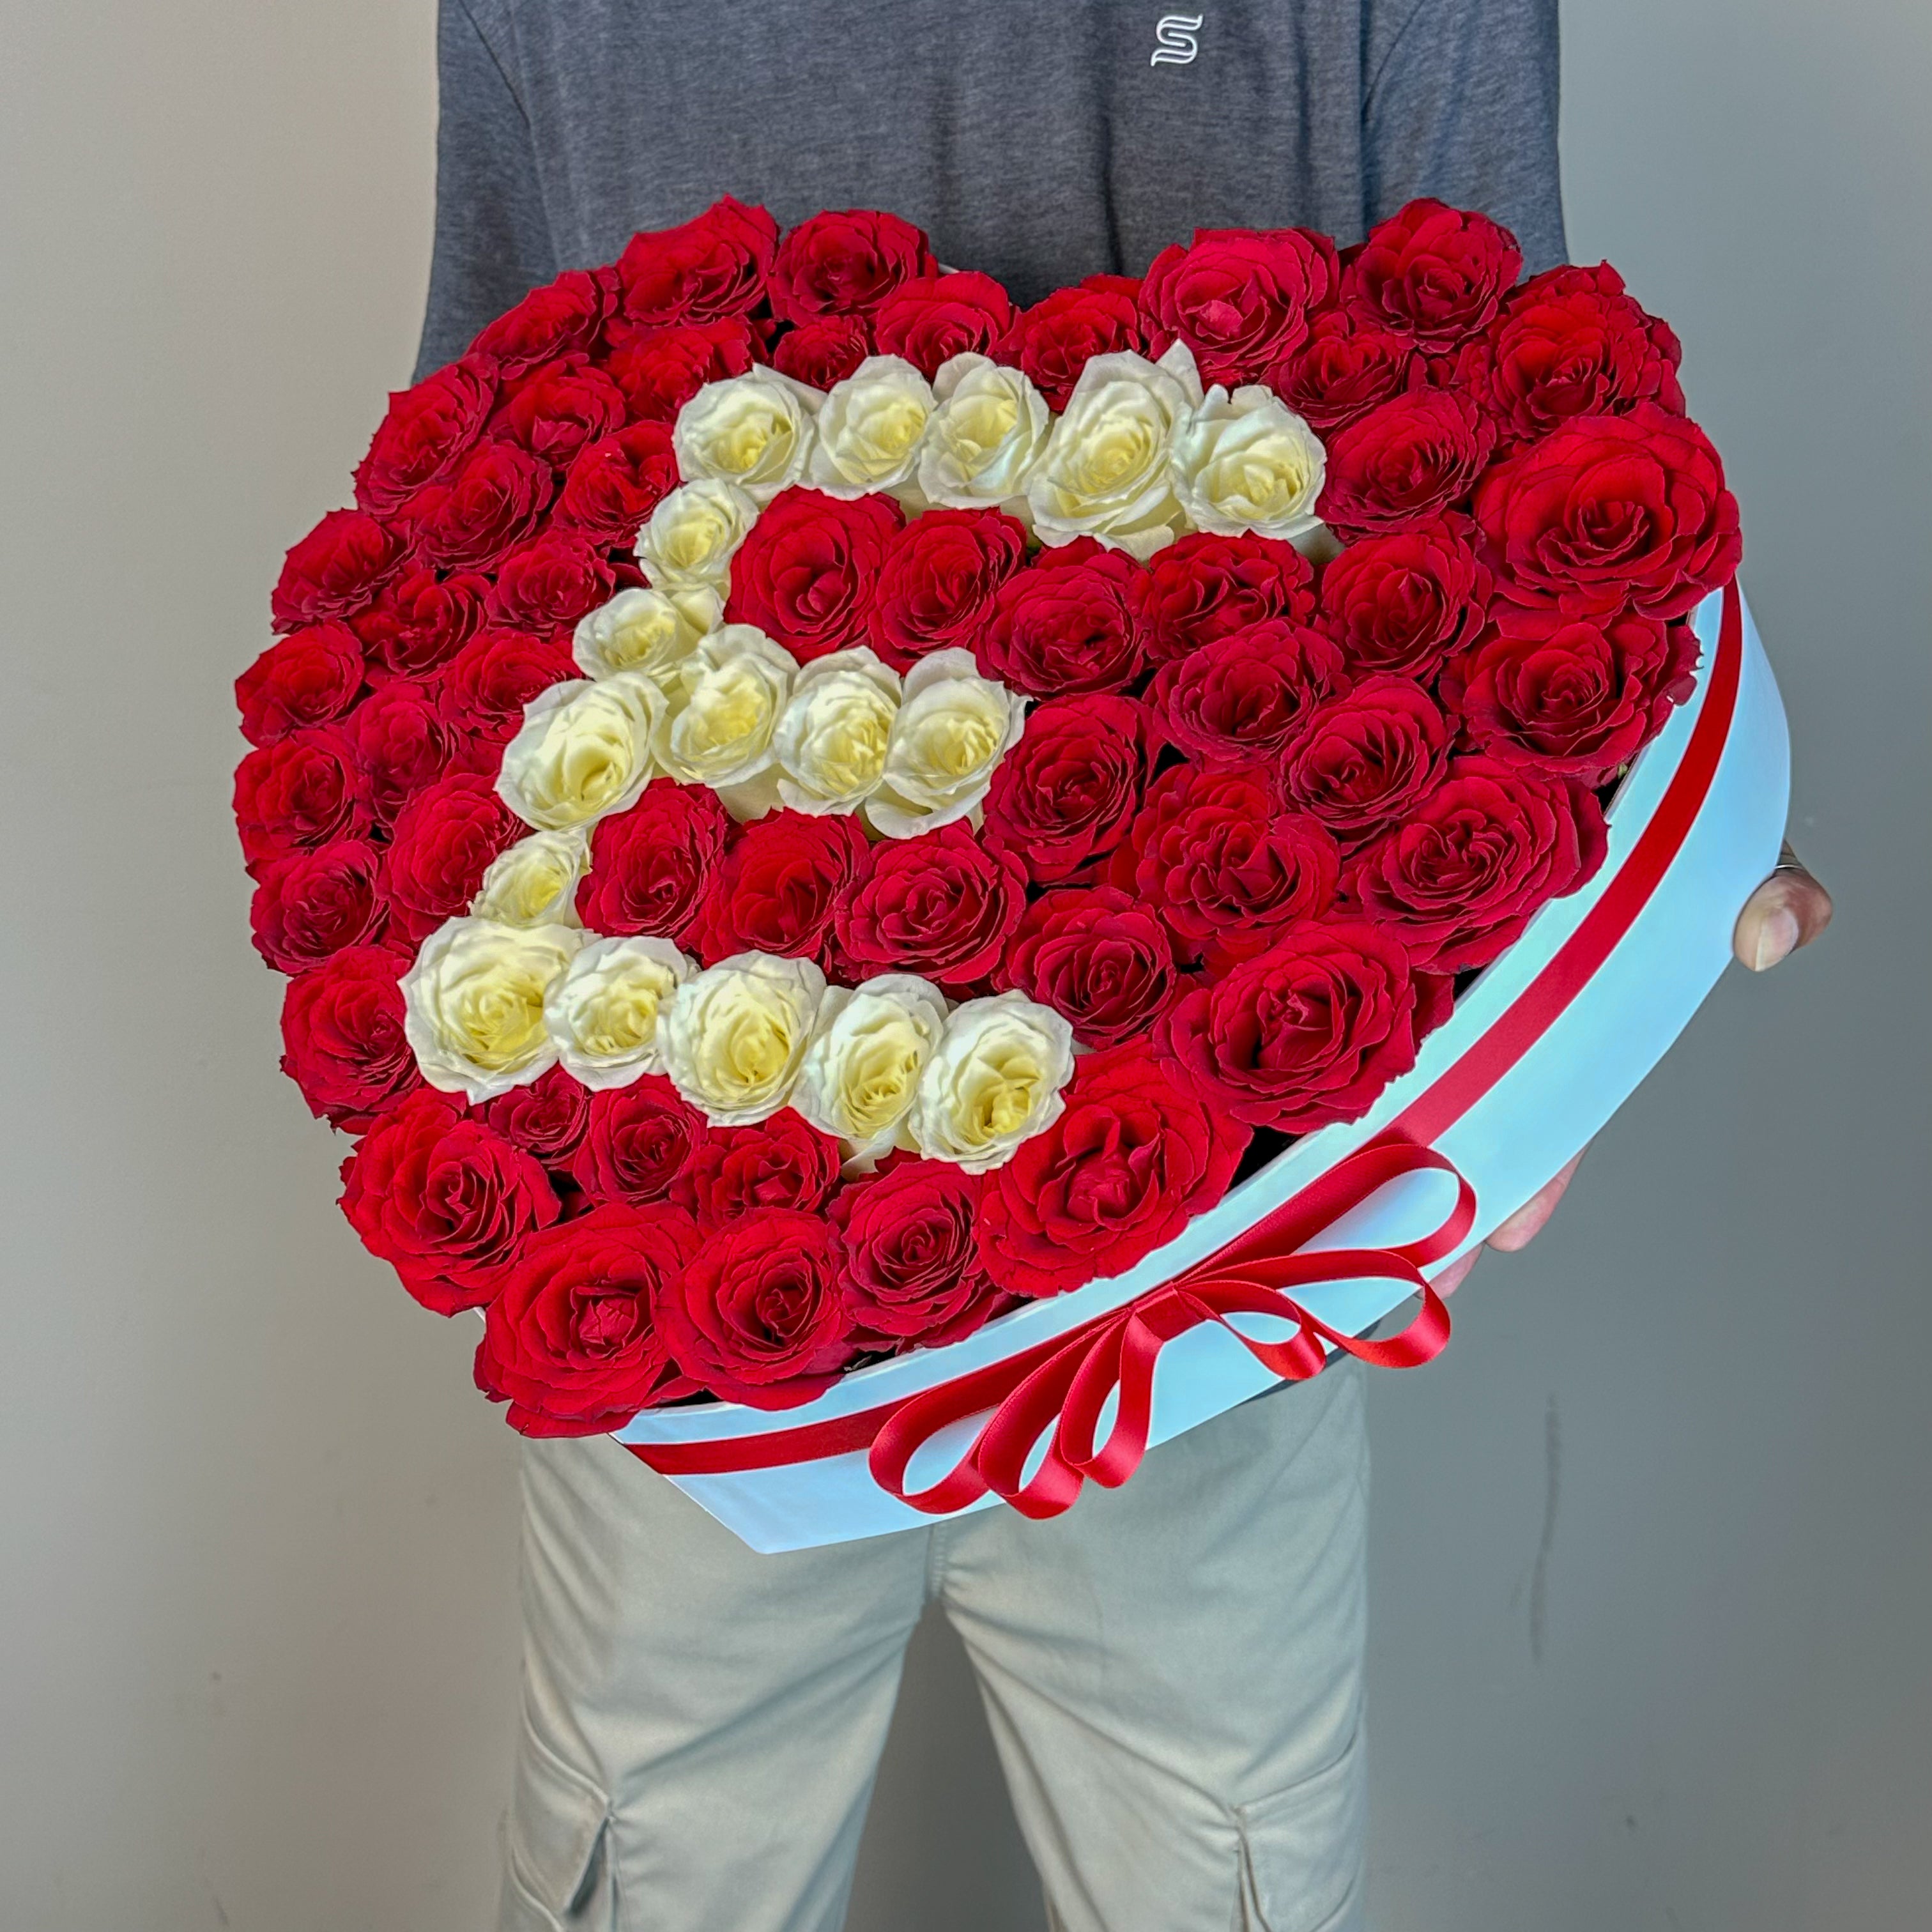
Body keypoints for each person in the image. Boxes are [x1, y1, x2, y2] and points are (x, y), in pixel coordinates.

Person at [411, 6, 1834, 1926]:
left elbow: (1519, 441)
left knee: (1222, 1879)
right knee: (647, 1868)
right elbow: (475, 508)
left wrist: (1631, 924)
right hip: (690, 1229)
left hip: (1208, 1244)